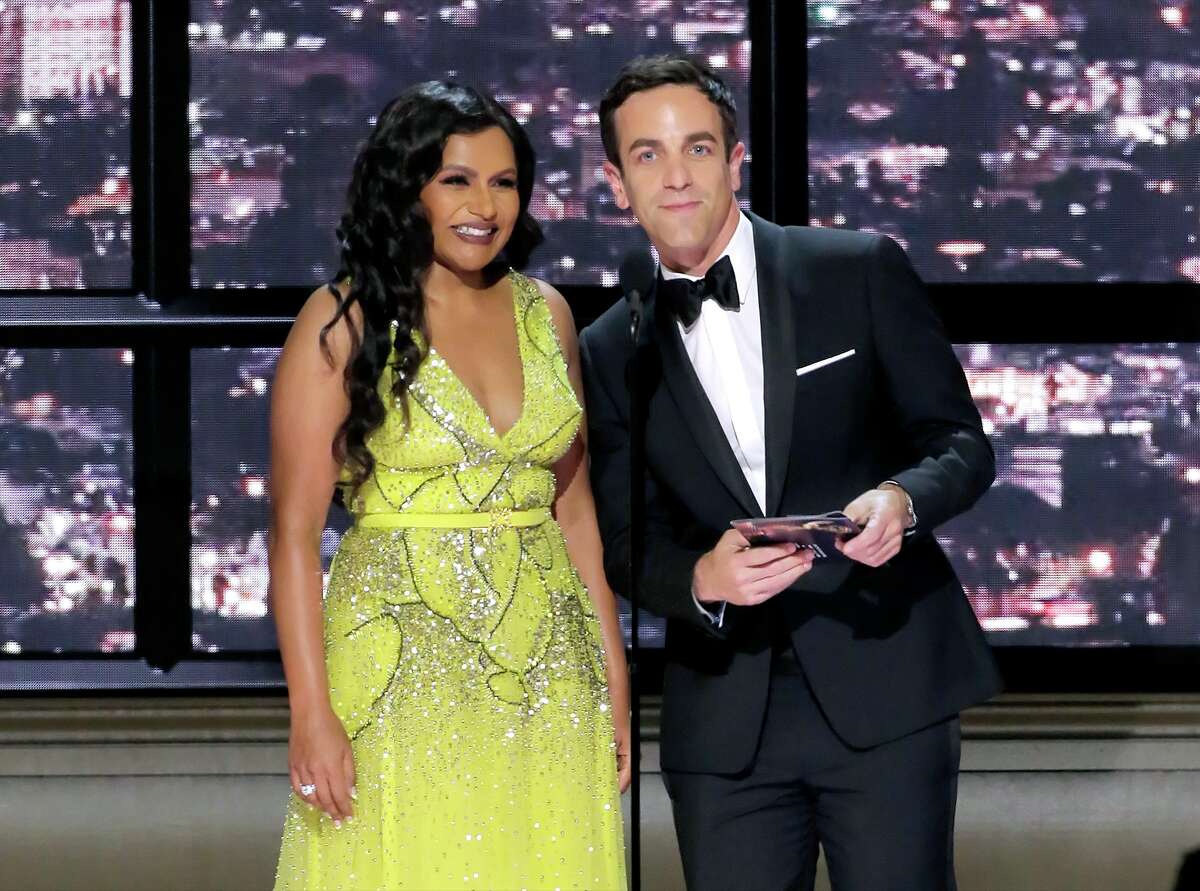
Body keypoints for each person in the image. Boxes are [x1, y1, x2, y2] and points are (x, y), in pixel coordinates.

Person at [580, 56, 1002, 891]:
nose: (675, 177)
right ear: (615, 182)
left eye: (697, 149)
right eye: (648, 156)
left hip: (883, 684)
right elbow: (622, 539)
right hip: (726, 721)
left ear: (736, 159)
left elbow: (960, 443)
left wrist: (901, 501)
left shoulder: (855, 269)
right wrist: (701, 575)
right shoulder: (608, 346)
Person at [269, 81, 628, 891]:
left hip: (551, 670)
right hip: (396, 678)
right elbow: (292, 537)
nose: (485, 204)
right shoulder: (341, 322)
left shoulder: (550, 315)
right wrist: (310, 712)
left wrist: (612, 665)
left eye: (504, 181)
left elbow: (573, 508)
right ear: (409, 190)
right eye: (457, 179)